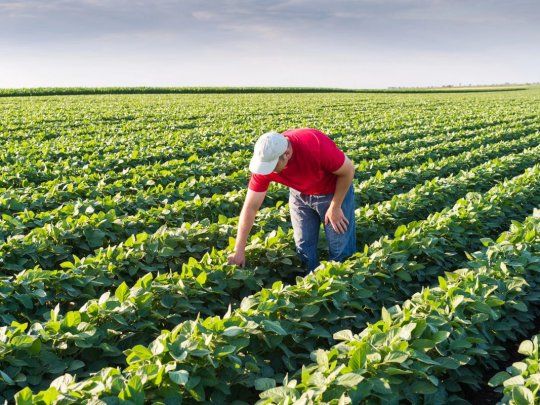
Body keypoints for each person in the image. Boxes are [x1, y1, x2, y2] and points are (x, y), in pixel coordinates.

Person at [227, 128, 356, 273]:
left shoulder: (314, 144)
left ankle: (341, 287)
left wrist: (335, 206)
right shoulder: (266, 161)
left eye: (272, 167)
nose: (268, 172)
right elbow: (250, 207)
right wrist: (239, 250)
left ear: (287, 154)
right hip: (299, 194)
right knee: (303, 246)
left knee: (340, 249)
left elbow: (348, 170)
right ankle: (310, 286)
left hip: (333, 191)